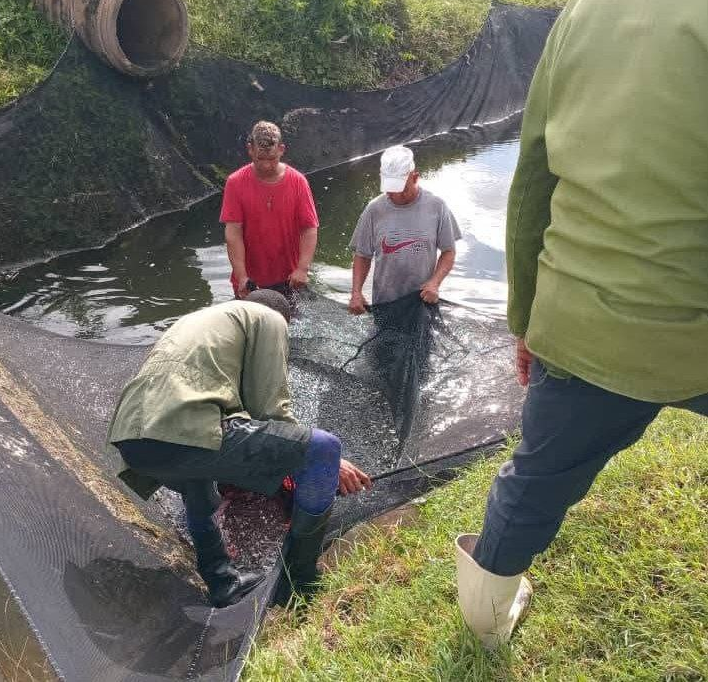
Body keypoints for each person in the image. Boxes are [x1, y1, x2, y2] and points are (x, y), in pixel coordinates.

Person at [455, 0, 708, 649]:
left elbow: (532, 169)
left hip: (582, 314)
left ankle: (484, 619)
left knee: (533, 483)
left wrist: (529, 318)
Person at [106, 289, 371, 608]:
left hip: (134, 443)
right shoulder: (270, 318)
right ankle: (298, 581)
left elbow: (225, 406)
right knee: (325, 447)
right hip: (183, 427)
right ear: (284, 320)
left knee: (199, 483)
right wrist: (323, 461)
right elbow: (268, 408)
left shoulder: (198, 320)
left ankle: (223, 583)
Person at [347, 145, 460, 313]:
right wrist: (356, 292)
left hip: (422, 302)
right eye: (390, 190)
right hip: (384, 302)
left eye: (402, 190)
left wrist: (435, 283)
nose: (396, 196)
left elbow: (448, 251)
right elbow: (363, 255)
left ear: (415, 177)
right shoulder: (374, 209)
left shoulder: (437, 206)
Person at [220, 121, 319, 301]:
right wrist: (241, 276)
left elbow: (309, 228)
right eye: (260, 159)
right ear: (250, 150)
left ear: (281, 149)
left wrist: (302, 268)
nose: (266, 165)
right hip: (249, 282)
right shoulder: (235, 182)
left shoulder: (298, 182)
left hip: (289, 278)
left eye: (272, 159)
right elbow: (233, 232)